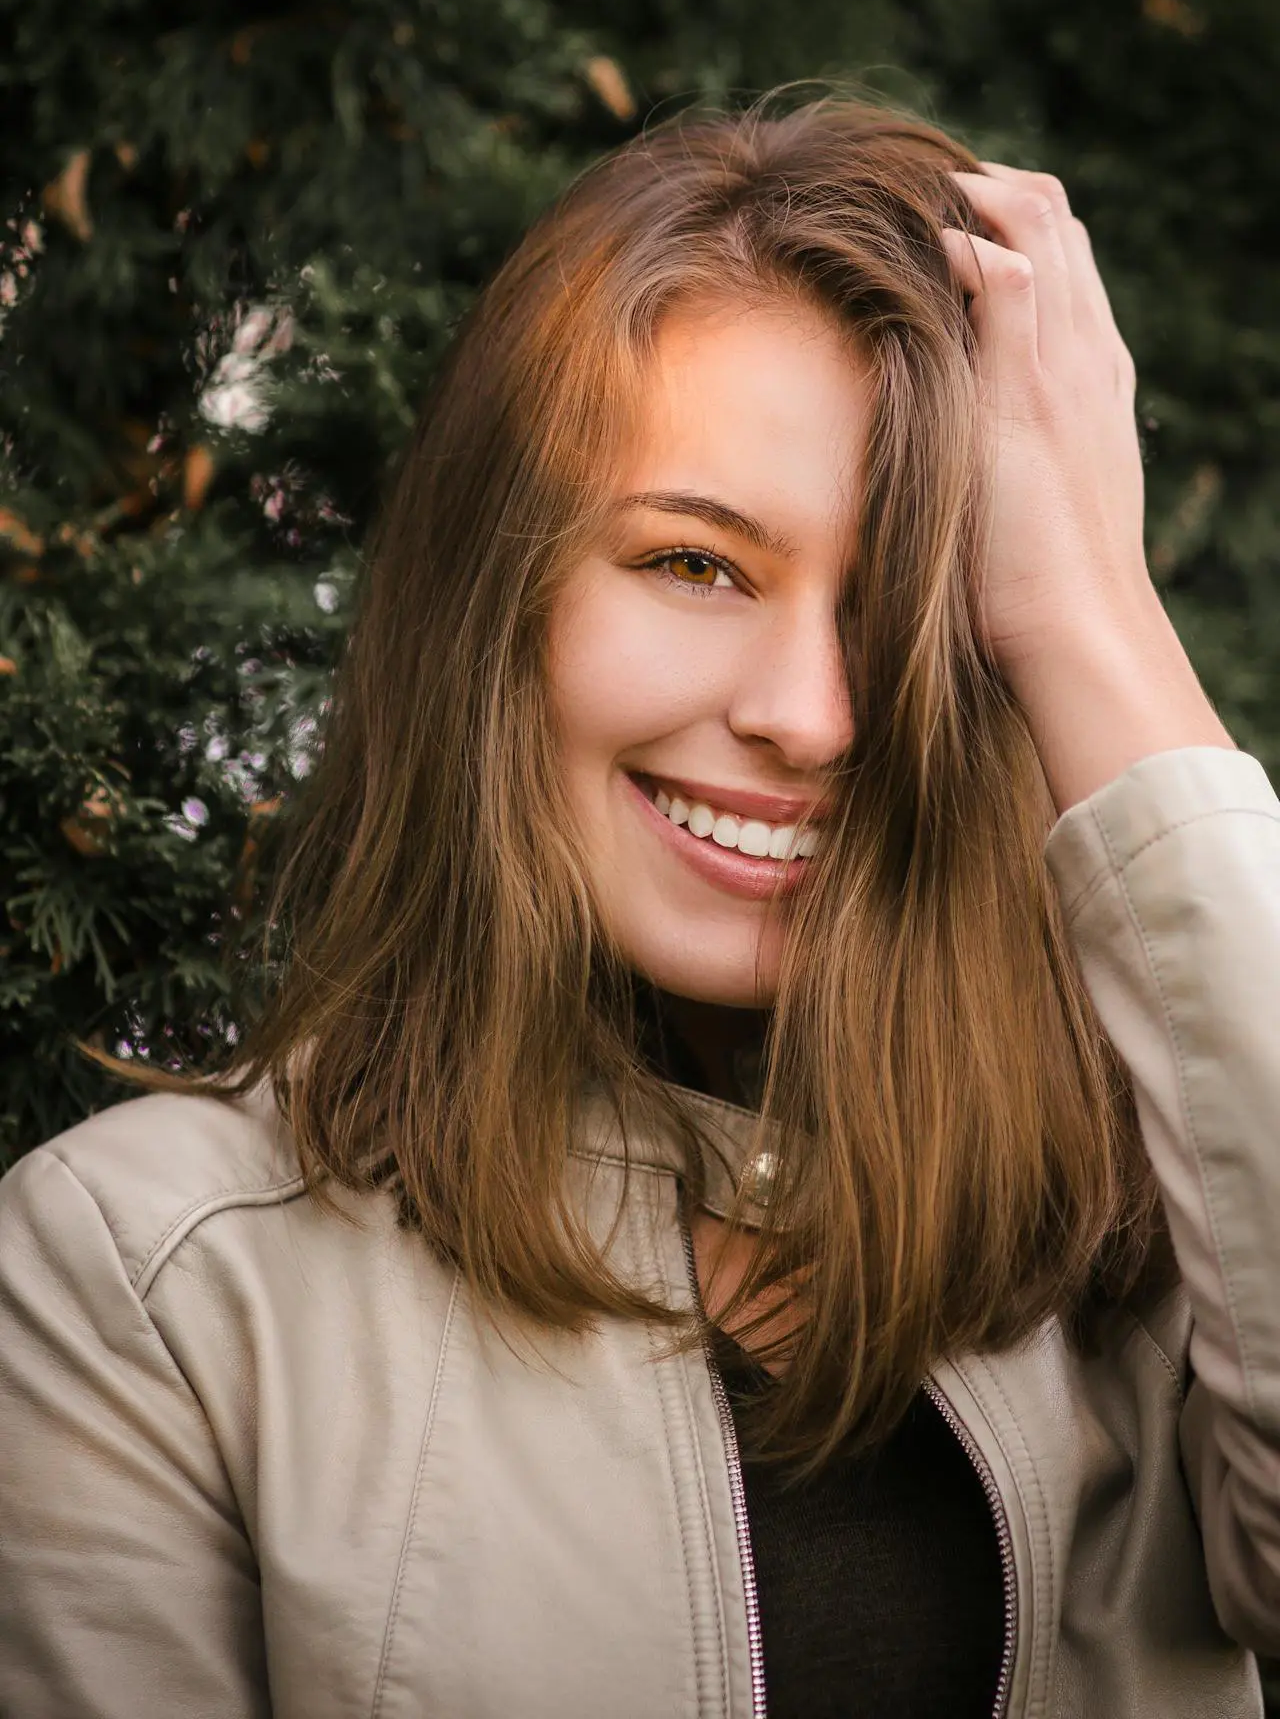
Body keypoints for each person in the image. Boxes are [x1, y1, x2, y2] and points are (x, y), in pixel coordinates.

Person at [1, 92, 1277, 1719]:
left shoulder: (1162, 1229)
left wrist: (1099, 613)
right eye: (694, 565)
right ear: (501, 601)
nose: (811, 715)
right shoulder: (149, 1282)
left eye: (913, 600)